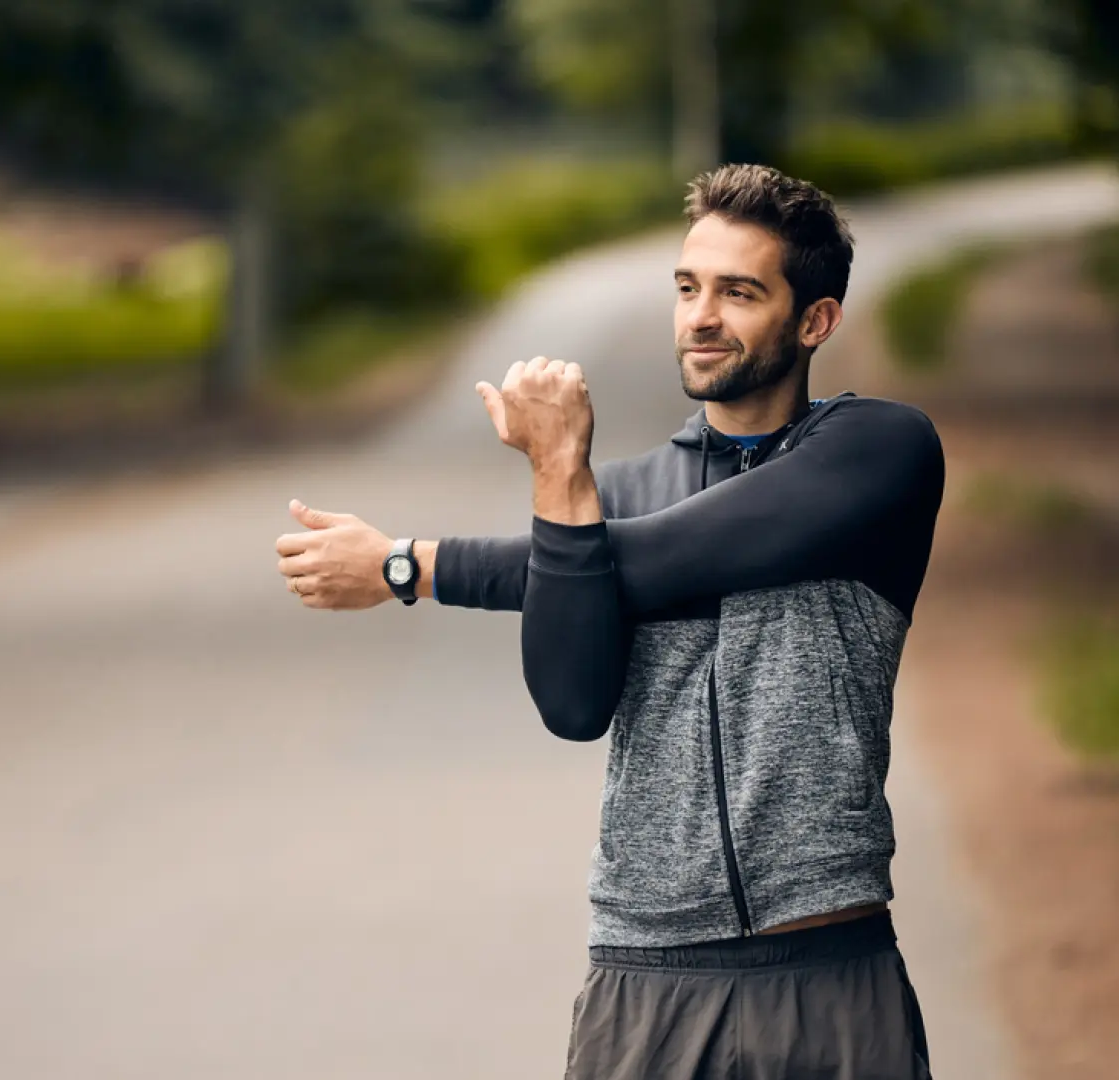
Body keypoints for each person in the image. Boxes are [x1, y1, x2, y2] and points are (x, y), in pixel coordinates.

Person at [274, 163, 945, 1079]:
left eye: (739, 292)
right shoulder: (605, 502)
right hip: (644, 984)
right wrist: (562, 481)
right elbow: (573, 705)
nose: (700, 316)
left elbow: (666, 556)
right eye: (687, 287)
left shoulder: (881, 455)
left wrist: (410, 564)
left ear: (815, 320)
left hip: (827, 973)